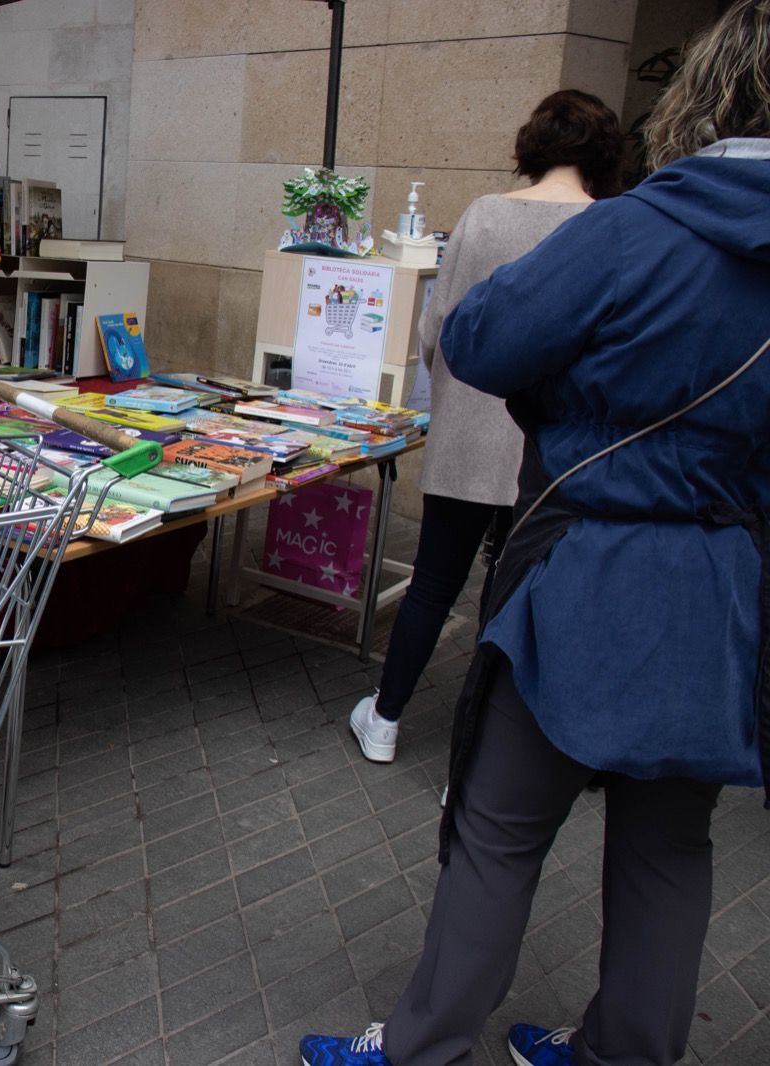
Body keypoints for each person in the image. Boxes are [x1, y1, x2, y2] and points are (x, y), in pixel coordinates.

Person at [301, 3, 770, 1065]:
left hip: (590, 566)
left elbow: (481, 337)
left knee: (498, 830)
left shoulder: (637, 227)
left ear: (706, 94)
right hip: (726, 578)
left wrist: (574, 405)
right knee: (667, 848)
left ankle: (420, 1048)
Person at [347, 90, 624, 767]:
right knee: (512, 596)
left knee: (435, 583)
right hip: (552, 449)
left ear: (532, 143)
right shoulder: (613, 225)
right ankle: (475, 760)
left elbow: (439, 330)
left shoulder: (482, 216)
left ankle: (384, 719)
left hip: (469, 430)